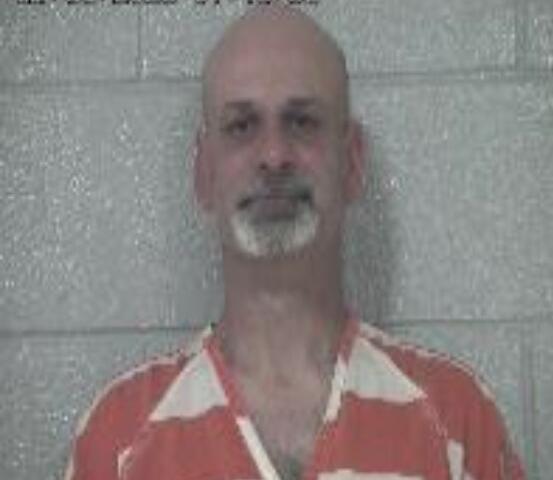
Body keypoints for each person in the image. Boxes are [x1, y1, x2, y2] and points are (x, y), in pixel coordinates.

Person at [64, 3, 526, 480]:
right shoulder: (118, 438)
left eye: (302, 121)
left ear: (352, 163)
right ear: (204, 173)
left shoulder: (458, 420)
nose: (273, 155)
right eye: (242, 126)